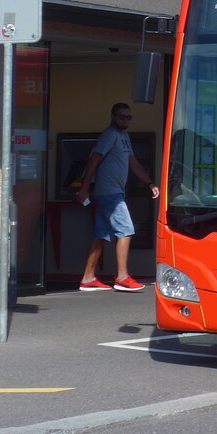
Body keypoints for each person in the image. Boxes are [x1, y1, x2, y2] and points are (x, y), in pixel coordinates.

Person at [76, 102, 159, 292]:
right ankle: (122, 277)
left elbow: (133, 162)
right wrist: (84, 188)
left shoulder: (124, 137)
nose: (125, 120)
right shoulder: (110, 134)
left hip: (112, 192)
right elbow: (95, 159)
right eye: (122, 117)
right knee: (126, 229)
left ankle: (88, 278)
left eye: (128, 117)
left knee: (101, 235)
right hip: (110, 193)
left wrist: (149, 183)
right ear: (113, 117)